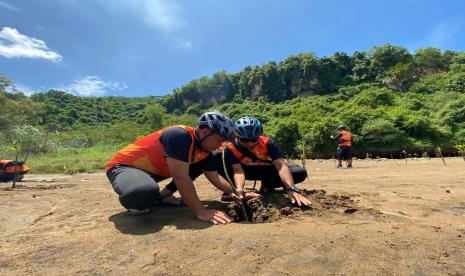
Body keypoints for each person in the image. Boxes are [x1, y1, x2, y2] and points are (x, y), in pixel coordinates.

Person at [106, 111, 257, 224]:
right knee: (142, 193)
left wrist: (236, 192)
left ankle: (161, 196)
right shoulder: (179, 135)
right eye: (220, 140)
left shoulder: (204, 151)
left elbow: (215, 178)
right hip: (124, 167)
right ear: (205, 132)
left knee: (153, 189)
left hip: (154, 173)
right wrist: (201, 211)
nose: (221, 145)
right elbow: (180, 176)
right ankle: (138, 200)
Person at [215, 116, 311, 206]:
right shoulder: (230, 147)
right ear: (236, 136)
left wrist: (291, 188)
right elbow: (238, 171)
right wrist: (239, 190)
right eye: (244, 140)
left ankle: (267, 185)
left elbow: (281, 166)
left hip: (266, 171)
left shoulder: (268, 143)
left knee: (300, 173)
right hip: (244, 170)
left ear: (259, 136)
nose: (249, 143)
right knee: (217, 158)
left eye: (253, 139)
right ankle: (230, 190)